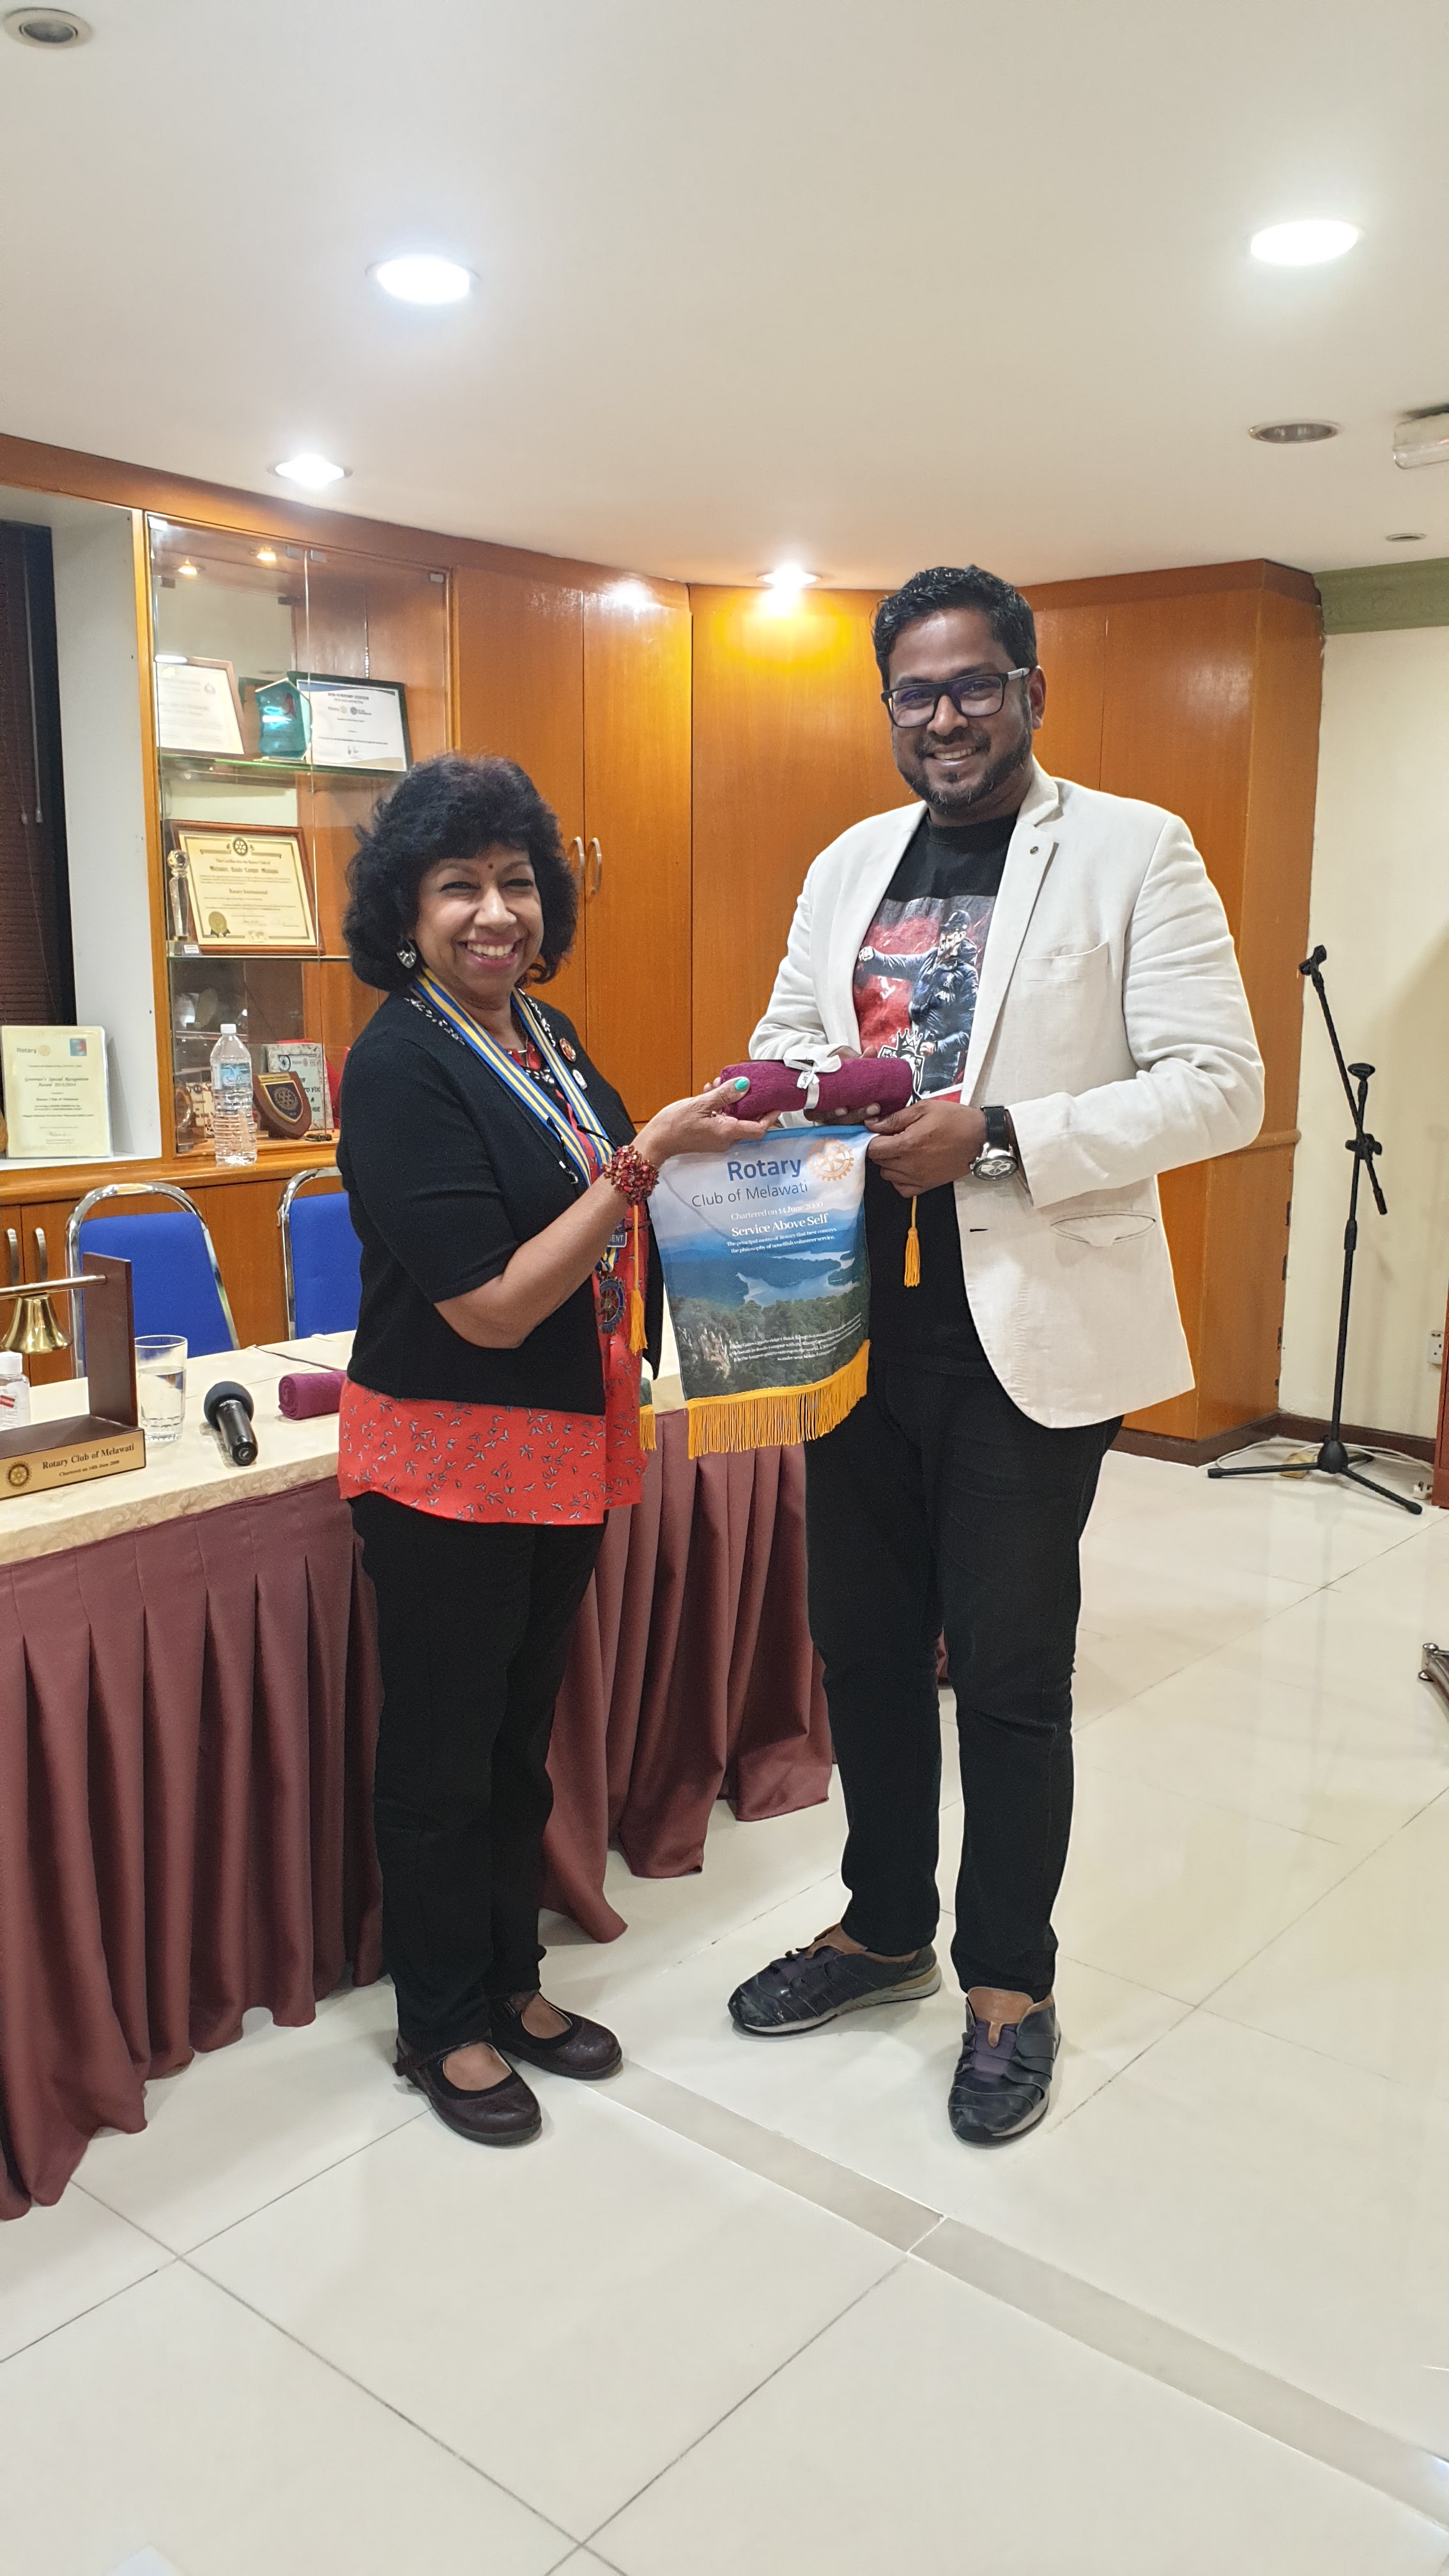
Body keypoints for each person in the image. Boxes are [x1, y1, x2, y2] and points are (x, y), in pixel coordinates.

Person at [727, 565, 1263, 2143]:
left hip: (1026, 1331)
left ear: (1029, 689)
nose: (945, 716)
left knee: (1012, 1675)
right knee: (861, 1650)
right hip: (850, 1322)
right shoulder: (850, 861)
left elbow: (1219, 1084)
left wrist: (1003, 1134)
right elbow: (787, 1036)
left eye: (973, 685)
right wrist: (796, 1091)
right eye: (917, 691)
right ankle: (885, 1927)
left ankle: (1009, 1986)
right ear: (888, 705)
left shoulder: (1133, 848)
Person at [338, 753, 770, 2147]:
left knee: (520, 1746)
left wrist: (730, 1153)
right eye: (457, 887)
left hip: (567, 1444)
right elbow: (491, 1304)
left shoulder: (548, 1035)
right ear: (406, 915)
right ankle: (439, 2022)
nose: (494, 913)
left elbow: (610, 1207)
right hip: (447, 1462)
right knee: (443, 1757)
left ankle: (509, 1981)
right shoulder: (398, 1064)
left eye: (516, 882)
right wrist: (641, 1163)